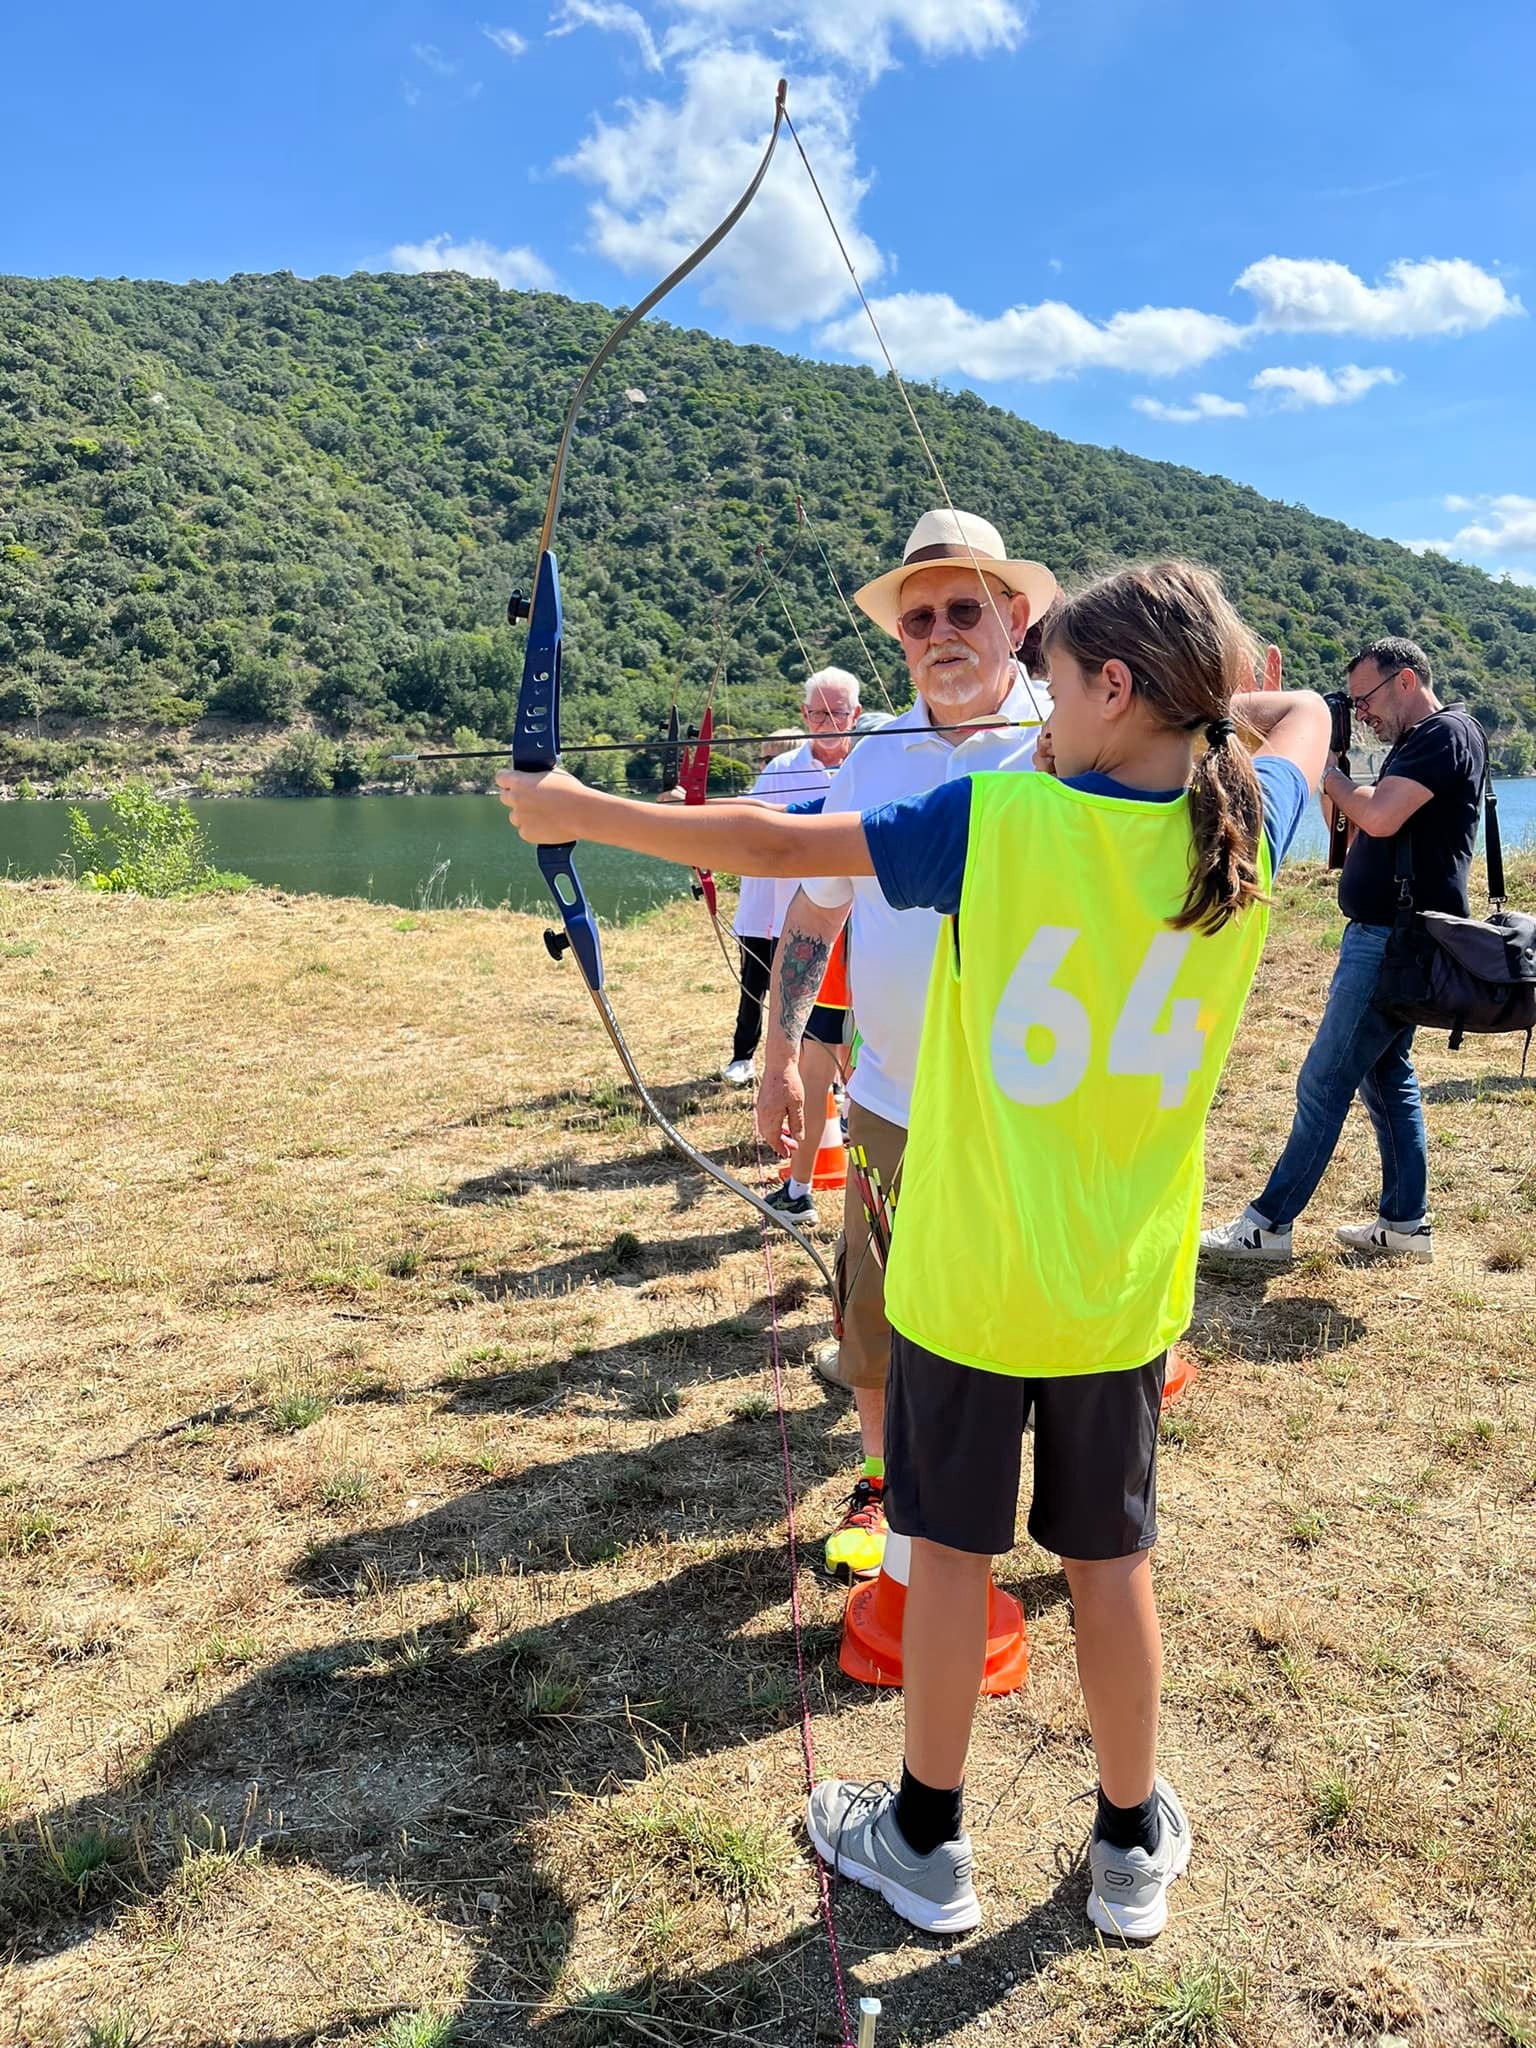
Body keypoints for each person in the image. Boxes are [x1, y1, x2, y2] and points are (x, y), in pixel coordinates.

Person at [496, 559, 1328, 1941]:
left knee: (944, 1552)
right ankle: (1130, 1845)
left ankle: (928, 1840)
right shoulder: (1248, 817)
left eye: (1056, 683)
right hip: (1117, 1289)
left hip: (968, 1279)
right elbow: (1299, 714)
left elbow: (771, 848)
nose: (1038, 709)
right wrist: (1208, 712)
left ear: (1114, 686)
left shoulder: (999, 816)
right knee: (1111, 1562)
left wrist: (576, 809)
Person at [759, 509, 1056, 1581]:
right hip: (890, 1100)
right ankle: (884, 1480)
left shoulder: (1073, 739)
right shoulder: (871, 757)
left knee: (1033, 1314)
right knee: (876, 1311)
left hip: (1035, 1108)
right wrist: (781, 1052)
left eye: (964, 609)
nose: (941, 634)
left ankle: (1060, 1509)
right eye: (918, 618)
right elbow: (814, 909)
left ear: (1014, 616)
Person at [1202, 636, 1485, 1266]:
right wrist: (1330, 767)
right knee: (1387, 1076)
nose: (1361, 713)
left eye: (1365, 698)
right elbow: (1359, 826)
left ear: (1405, 680)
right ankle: (1405, 1222)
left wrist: (1324, 767)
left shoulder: (1444, 734)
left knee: (1323, 1080)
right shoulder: (1421, 742)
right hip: (1392, 937)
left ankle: (1268, 1225)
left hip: (1392, 940)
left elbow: (1379, 817)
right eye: (1352, 704)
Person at [720, 682, 860, 1087]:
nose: (828, 723)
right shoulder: (782, 768)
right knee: (758, 985)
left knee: (839, 996)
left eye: (838, 713)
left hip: (844, 909)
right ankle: (746, 1057)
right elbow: (751, 821)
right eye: (818, 714)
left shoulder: (865, 765)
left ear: (855, 714)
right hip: (775, 906)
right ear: (804, 714)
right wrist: (691, 811)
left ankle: (836, 1075)